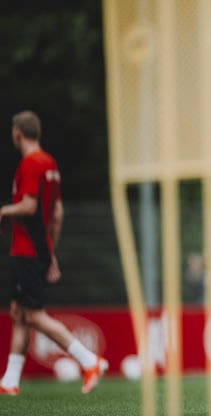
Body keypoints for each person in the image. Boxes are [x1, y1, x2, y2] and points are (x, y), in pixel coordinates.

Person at [0, 110, 107, 396]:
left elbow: (29, 206)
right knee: (19, 313)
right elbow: (56, 214)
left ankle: (89, 360)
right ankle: (9, 381)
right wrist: (50, 251)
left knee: (33, 316)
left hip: (25, 250)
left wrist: (3, 212)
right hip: (38, 249)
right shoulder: (50, 163)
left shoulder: (30, 164)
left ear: (17, 134)